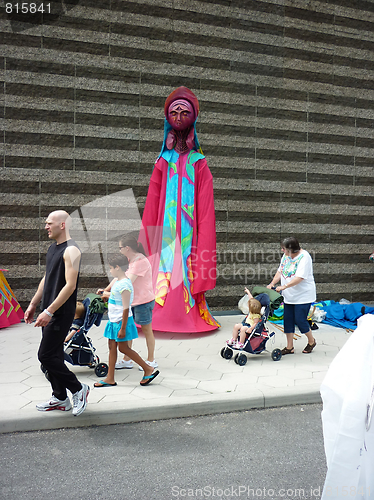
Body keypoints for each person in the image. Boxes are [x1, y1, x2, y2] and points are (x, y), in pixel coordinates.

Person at [138, 86, 220, 333]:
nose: (179, 115)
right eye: (174, 111)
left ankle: (187, 314)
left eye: (185, 111)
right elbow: (153, 200)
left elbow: (206, 206)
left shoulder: (199, 162)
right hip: (165, 230)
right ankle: (156, 314)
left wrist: (204, 235)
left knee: (187, 263)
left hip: (190, 233)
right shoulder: (163, 161)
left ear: (193, 117)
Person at [24, 210, 89, 416]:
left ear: (62, 225)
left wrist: (50, 311)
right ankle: (60, 398)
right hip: (48, 311)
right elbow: (47, 278)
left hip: (60, 313)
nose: (46, 226)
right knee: (54, 356)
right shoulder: (53, 248)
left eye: (49, 223)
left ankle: (79, 389)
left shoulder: (72, 251)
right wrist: (34, 304)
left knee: (45, 356)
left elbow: (70, 286)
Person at [94, 254, 159, 387]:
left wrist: (123, 328)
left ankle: (148, 369)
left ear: (118, 267)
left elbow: (126, 308)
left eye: (111, 268)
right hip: (114, 321)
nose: (110, 271)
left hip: (121, 322)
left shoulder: (124, 285)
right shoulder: (119, 282)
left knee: (123, 348)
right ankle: (110, 378)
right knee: (112, 347)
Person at [267, 237, 317, 355]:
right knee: (288, 321)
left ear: (291, 249)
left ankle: (311, 341)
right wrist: (272, 283)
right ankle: (290, 347)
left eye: (283, 249)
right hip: (289, 296)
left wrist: (284, 287)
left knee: (300, 320)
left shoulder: (304, 257)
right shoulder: (286, 256)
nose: (282, 251)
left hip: (303, 295)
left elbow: (299, 277)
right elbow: (280, 271)